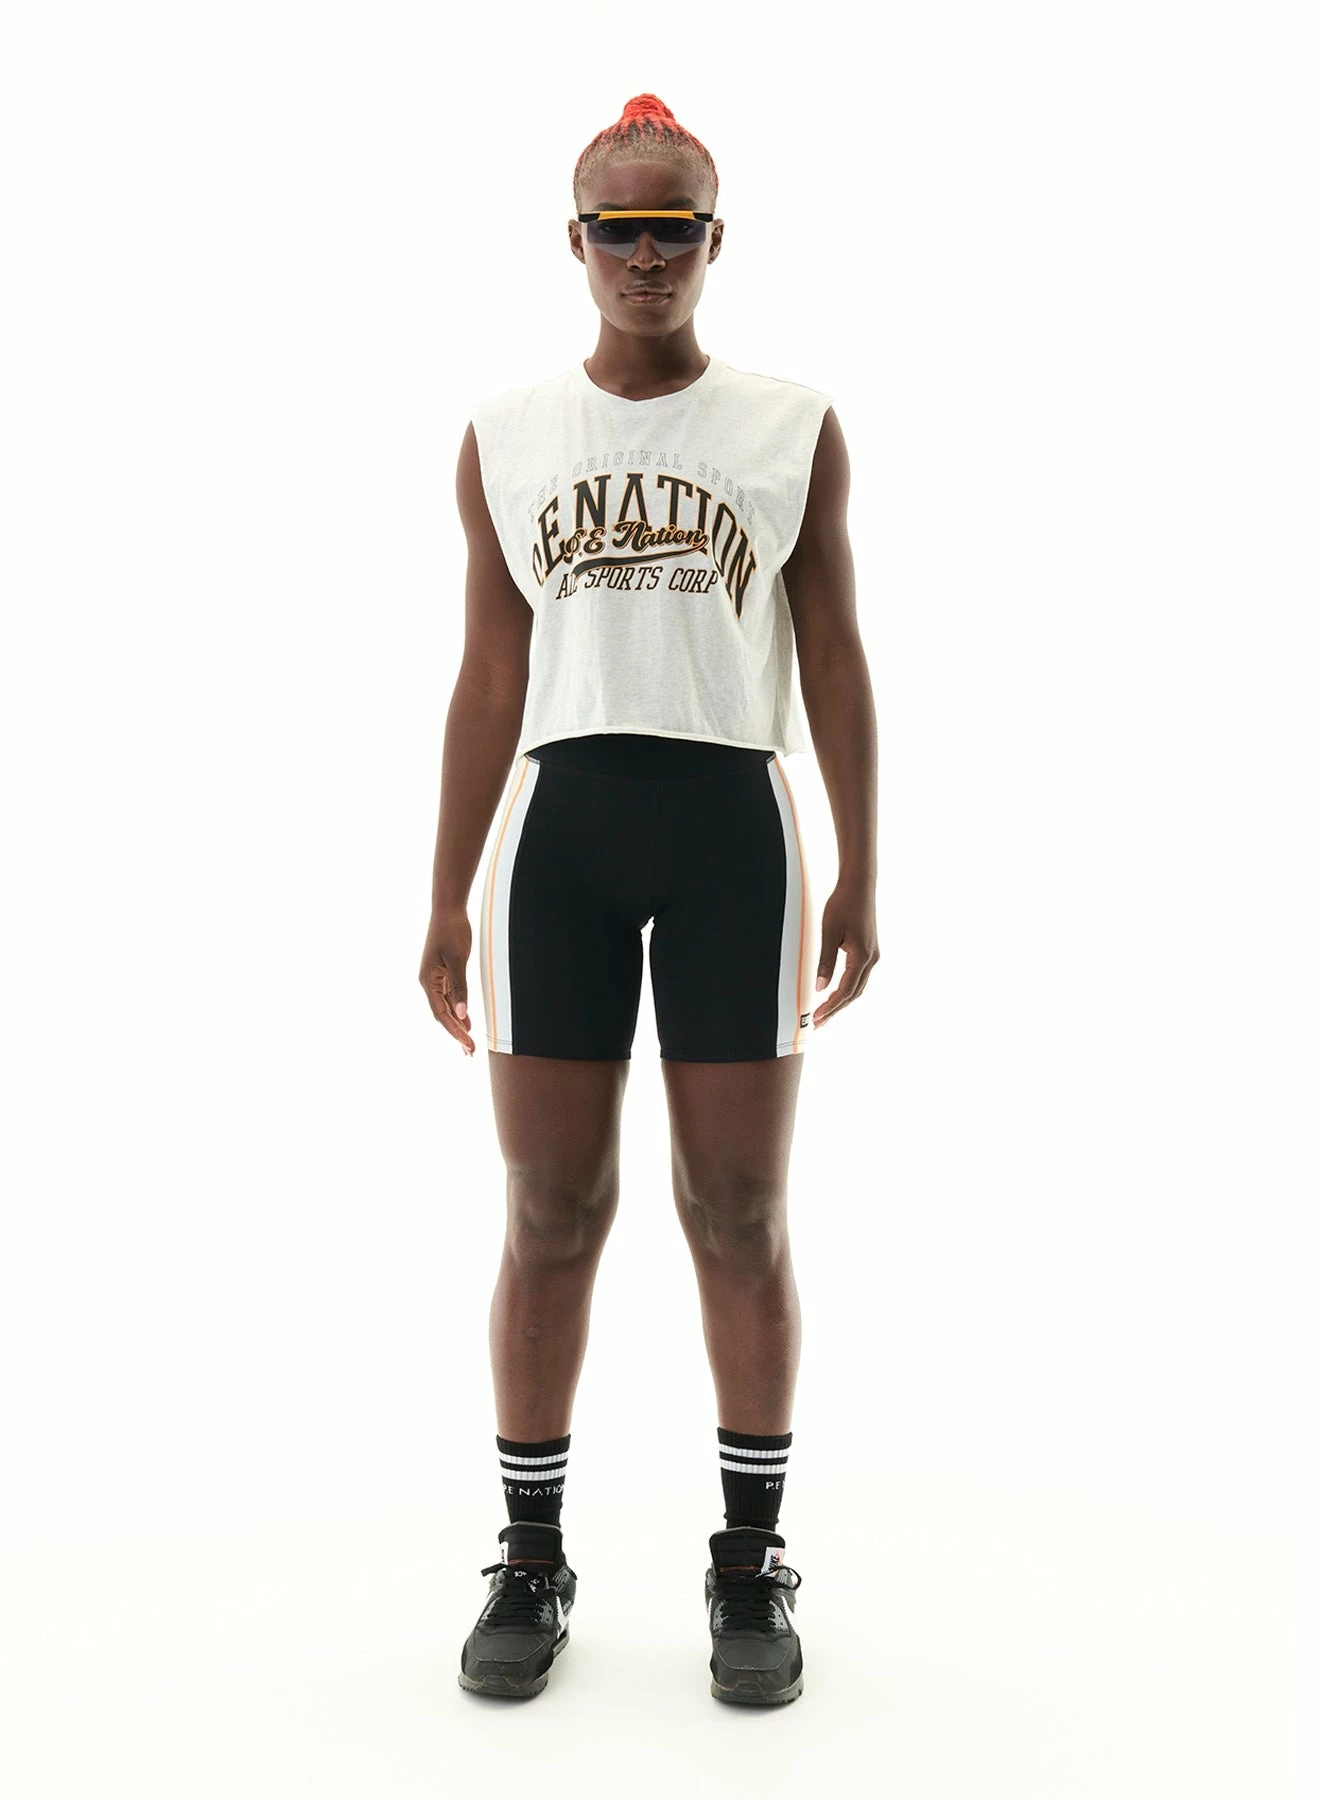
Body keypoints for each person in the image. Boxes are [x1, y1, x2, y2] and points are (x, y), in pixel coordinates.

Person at [420, 93, 879, 1705]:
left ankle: (750, 1563)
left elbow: (834, 654)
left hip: (732, 835)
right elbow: (490, 675)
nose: (644, 253)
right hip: (559, 843)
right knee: (551, 1213)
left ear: (713, 238)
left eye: (672, 224)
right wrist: (442, 893)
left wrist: (865, 865)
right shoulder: (507, 435)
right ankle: (530, 1556)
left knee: (737, 1212)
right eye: (617, 227)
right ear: (575, 240)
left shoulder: (790, 427)